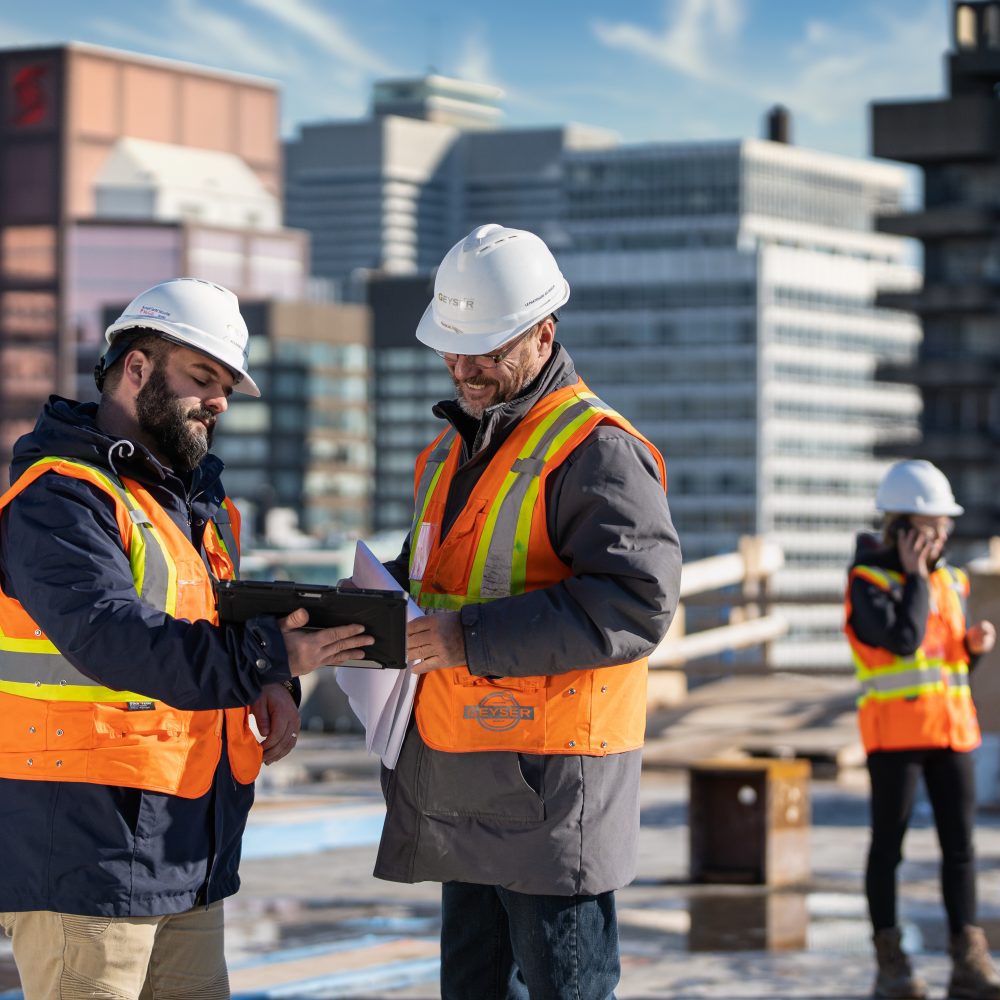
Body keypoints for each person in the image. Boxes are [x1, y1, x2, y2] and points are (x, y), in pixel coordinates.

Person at [0, 277, 374, 1000]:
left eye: (227, 385)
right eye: (203, 378)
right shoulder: (61, 498)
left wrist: (272, 679)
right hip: (85, 856)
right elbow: (111, 636)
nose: (220, 402)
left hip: (181, 847)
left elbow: (206, 624)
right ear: (135, 369)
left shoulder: (186, 505)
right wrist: (267, 656)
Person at [375, 224, 682, 1000]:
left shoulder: (595, 450)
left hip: (553, 782)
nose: (464, 367)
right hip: (466, 770)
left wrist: (465, 638)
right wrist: (352, 607)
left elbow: (637, 600)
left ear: (543, 332)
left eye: (485, 349)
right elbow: (432, 575)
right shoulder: (452, 452)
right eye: (452, 347)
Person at [845, 459, 1000, 1000]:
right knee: (888, 848)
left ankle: (968, 961)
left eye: (945, 529)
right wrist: (913, 576)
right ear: (903, 528)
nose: (942, 539)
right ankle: (892, 966)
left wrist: (972, 649)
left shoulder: (951, 581)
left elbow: (946, 665)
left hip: (951, 735)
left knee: (961, 850)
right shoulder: (868, 582)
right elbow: (904, 641)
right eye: (933, 529)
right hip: (896, 742)